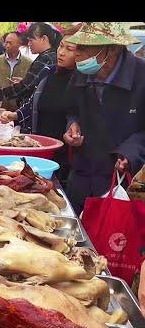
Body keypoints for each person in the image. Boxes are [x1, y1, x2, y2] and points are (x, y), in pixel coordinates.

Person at [61, 22, 145, 215]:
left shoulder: (141, 76)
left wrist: (131, 152)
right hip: (82, 179)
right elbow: (71, 110)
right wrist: (72, 125)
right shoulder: (81, 73)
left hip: (122, 186)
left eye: (84, 47)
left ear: (112, 48)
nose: (77, 53)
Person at [1, 26, 80, 181]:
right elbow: (33, 103)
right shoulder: (49, 72)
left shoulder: (83, 80)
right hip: (42, 149)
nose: (61, 52)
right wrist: (15, 114)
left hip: (67, 155)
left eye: (69, 49)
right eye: (61, 46)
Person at [0, 23, 60, 112]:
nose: (29, 44)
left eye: (31, 40)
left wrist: (0, 93)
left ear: (44, 39)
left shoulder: (45, 59)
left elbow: (26, 87)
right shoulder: (50, 56)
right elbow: (34, 84)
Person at [0, 32, 32, 111]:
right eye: (6, 42)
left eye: (10, 43)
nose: (7, 46)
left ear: (19, 44)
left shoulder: (29, 63)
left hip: (20, 108)